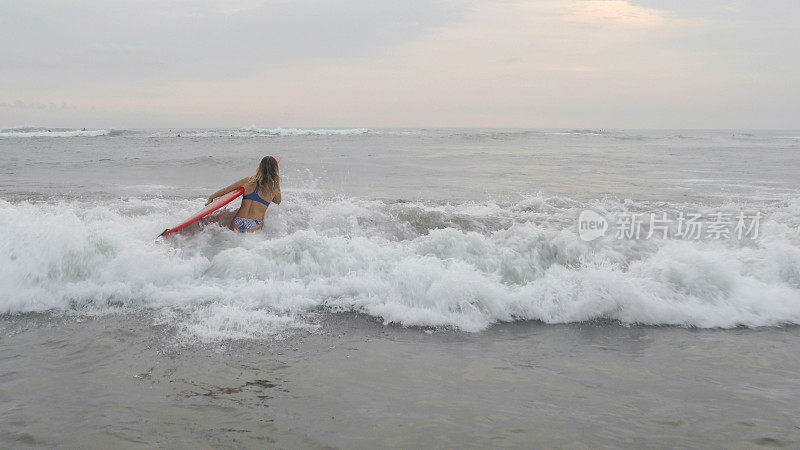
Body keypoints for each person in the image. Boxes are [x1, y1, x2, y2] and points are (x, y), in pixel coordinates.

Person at [205, 156, 281, 232]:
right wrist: (275, 183)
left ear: (260, 168)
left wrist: (211, 197)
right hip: (255, 223)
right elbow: (278, 201)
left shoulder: (247, 181)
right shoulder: (274, 188)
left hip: (238, 220)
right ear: (275, 170)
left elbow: (226, 190)